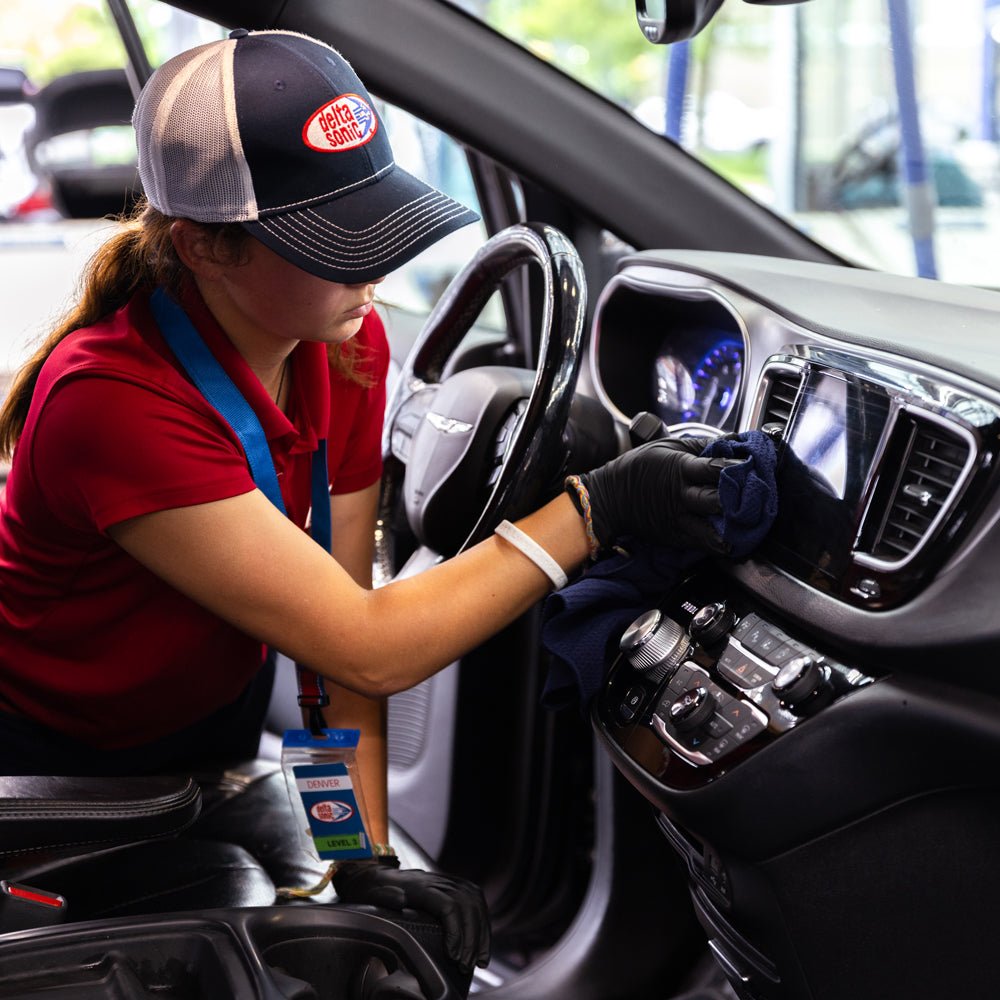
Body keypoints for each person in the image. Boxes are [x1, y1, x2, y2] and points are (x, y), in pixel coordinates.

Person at [0, 29, 728, 974]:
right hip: (58, 781)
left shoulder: (346, 348)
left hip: (200, 749)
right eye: (336, 244)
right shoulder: (116, 404)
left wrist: (358, 855)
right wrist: (595, 511)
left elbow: (329, 655)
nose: (374, 272)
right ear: (204, 247)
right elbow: (372, 644)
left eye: (377, 222)